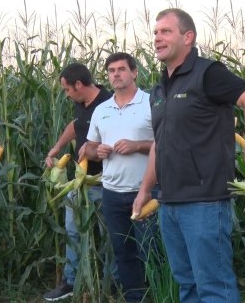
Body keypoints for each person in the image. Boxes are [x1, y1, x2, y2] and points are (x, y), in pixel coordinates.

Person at [132, 8, 245, 303]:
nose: (157, 38)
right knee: (187, 285)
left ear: (188, 37)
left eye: (166, 31)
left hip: (204, 202)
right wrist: (145, 189)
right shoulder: (158, 89)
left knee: (214, 288)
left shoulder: (207, 73)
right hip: (168, 201)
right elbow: (159, 144)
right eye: (155, 33)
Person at [85, 52, 156, 303]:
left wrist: (138, 145)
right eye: (111, 70)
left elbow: (166, 144)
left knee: (152, 251)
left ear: (134, 72)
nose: (116, 74)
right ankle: (135, 298)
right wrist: (98, 151)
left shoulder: (151, 103)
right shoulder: (101, 110)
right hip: (112, 193)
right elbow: (89, 147)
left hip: (147, 193)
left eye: (122, 69)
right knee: (123, 252)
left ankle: (158, 294)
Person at [43, 62, 115, 302]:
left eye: (67, 90)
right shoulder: (80, 104)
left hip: (107, 182)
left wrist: (92, 149)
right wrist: (56, 147)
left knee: (109, 236)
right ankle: (71, 282)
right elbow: (76, 126)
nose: (66, 95)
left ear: (79, 85)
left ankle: (110, 283)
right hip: (81, 182)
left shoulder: (109, 103)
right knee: (73, 232)